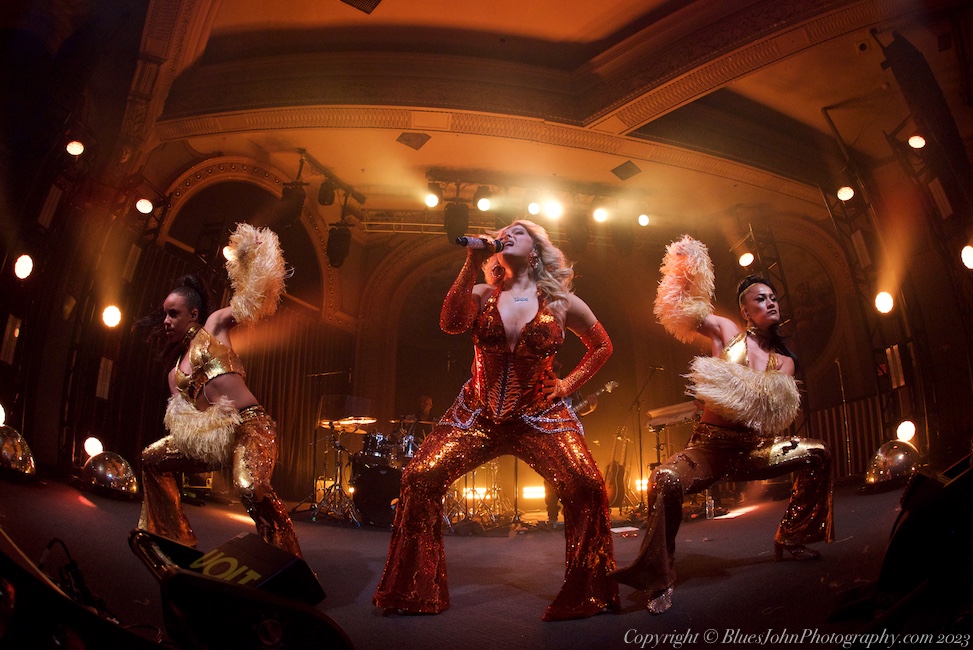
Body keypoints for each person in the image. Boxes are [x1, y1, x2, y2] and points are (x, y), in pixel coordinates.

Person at [373, 220, 619, 621]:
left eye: (517, 230)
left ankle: (587, 593)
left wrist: (568, 383)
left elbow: (602, 346)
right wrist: (471, 259)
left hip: (540, 415)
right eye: (503, 231)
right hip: (478, 413)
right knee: (419, 477)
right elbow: (450, 322)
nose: (506, 233)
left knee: (588, 485)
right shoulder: (483, 292)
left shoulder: (561, 302)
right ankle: (414, 591)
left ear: (536, 248)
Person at [610, 235, 833, 614]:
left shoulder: (786, 363)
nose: (770, 302)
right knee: (664, 479)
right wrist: (687, 264)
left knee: (818, 454)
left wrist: (740, 393)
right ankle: (659, 575)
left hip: (753, 452)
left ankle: (793, 537)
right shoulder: (728, 334)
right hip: (709, 450)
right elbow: (683, 311)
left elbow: (767, 415)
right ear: (746, 312)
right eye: (760, 299)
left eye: (773, 297)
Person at [135, 223, 303, 558]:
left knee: (248, 486)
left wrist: (256, 254)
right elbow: (189, 423)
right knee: (152, 459)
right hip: (217, 438)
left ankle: (287, 559)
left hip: (251, 427)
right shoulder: (175, 375)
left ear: (193, 314)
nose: (166, 321)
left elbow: (250, 303)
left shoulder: (212, 328)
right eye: (164, 315)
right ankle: (173, 538)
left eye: (173, 314)